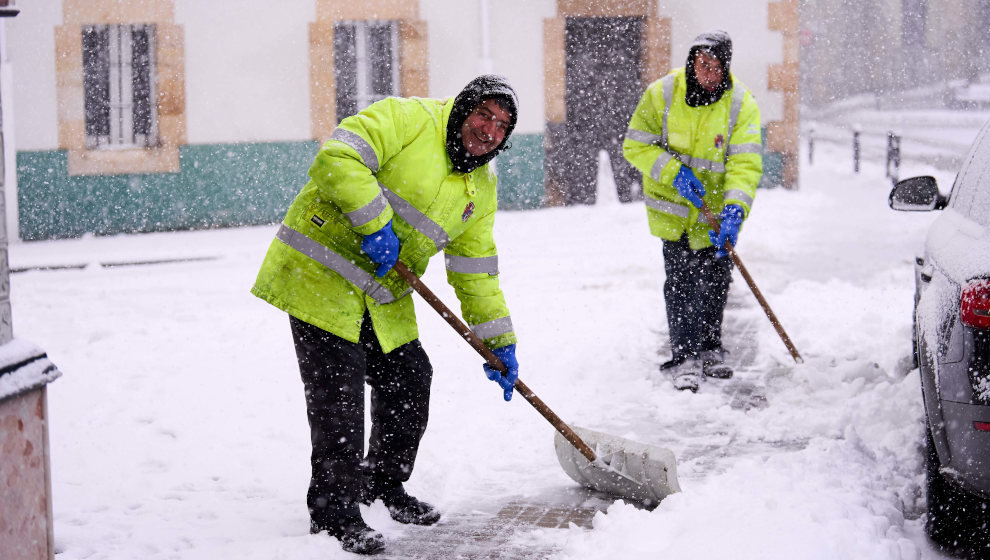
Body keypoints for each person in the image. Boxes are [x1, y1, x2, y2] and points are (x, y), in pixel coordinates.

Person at [251, 75, 522, 555]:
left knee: (411, 378)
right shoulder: (409, 119)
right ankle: (334, 512)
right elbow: (337, 157)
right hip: (322, 272)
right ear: (464, 108)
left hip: (381, 294)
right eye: (484, 115)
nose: (489, 132)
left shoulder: (479, 188)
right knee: (340, 395)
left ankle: (381, 486)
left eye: (502, 126)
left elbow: (475, 270)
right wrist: (375, 223)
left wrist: (497, 338)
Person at [622, 30, 763, 392]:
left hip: (715, 214)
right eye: (703, 65)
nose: (709, 74)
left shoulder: (740, 104)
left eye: (717, 67)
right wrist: (673, 172)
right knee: (682, 283)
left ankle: (711, 347)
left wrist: (735, 209)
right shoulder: (663, 94)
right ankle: (685, 355)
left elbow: (745, 163)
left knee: (716, 281)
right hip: (674, 211)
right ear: (692, 62)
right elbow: (635, 146)